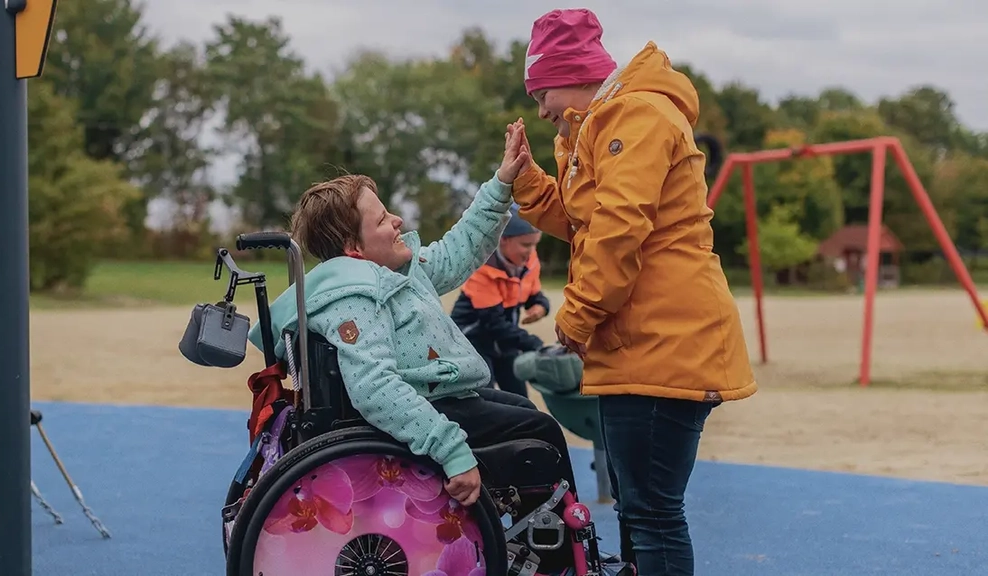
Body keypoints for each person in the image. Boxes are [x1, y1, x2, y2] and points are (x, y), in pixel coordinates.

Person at [506, 8, 758, 575]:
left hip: (665, 339)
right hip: (643, 341)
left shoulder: (635, 116)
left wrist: (577, 318)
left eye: (540, 90)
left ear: (568, 73)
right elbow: (582, 222)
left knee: (653, 513)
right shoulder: (601, 124)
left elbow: (620, 229)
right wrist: (524, 177)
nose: (540, 108)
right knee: (639, 509)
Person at [246, 127, 577, 515]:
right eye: (384, 219)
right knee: (542, 432)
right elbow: (375, 387)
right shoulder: (356, 297)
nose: (399, 220)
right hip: (425, 407)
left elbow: (458, 251)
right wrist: (451, 450)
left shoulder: (395, 274)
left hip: (441, 394)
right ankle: (562, 554)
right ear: (354, 249)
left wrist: (502, 181)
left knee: (525, 410)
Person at [449, 204, 551, 398]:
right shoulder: (482, 266)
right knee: (487, 400)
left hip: (505, 342)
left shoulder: (529, 261)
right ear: (503, 240)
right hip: (475, 342)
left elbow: (532, 294)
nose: (531, 251)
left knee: (520, 400)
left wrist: (541, 306)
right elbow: (493, 323)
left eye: (534, 244)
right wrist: (534, 343)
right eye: (526, 245)